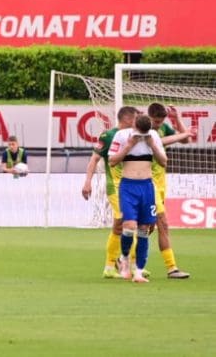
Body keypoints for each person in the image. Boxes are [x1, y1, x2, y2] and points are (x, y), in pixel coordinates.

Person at [107, 113, 167, 283]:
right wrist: (129, 146)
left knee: (144, 230)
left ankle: (138, 271)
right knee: (129, 226)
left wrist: (152, 145)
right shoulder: (122, 135)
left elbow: (163, 162)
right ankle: (124, 259)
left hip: (147, 187)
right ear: (134, 126)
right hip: (128, 187)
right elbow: (112, 161)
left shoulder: (153, 136)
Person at [82, 106, 137, 278]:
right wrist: (87, 182)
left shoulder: (136, 136)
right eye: (135, 119)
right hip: (116, 187)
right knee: (128, 223)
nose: (137, 122)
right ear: (127, 120)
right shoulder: (108, 136)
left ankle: (110, 266)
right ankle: (132, 266)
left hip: (135, 186)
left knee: (120, 225)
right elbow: (94, 159)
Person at [146, 102, 192, 278]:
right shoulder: (143, 128)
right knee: (163, 223)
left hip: (161, 182)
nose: (158, 125)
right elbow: (159, 141)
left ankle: (125, 257)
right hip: (147, 182)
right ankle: (172, 268)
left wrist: (176, 119)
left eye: (160, 121)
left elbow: (186, 140)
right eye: (155, 121)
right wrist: (184, 133)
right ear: (148, 116)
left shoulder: (164, 127)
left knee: (149, 227)